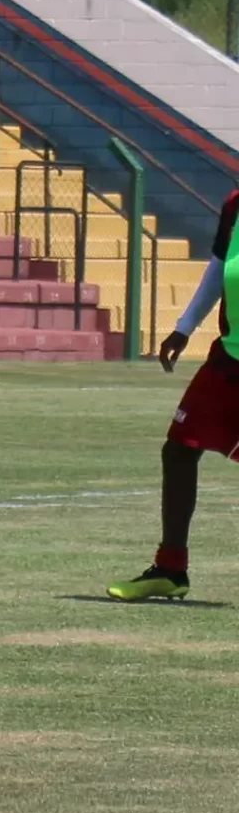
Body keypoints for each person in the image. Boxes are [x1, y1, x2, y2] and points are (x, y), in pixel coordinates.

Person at [108, 189, 239, 601]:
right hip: (230, 358)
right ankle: (170, 568)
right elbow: (220, 269)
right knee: (180, 448)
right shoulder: (235, 203)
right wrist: (184, 326)